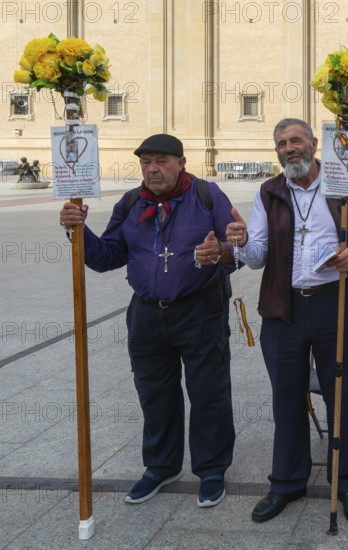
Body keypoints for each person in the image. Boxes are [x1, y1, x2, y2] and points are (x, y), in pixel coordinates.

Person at [59, 134, 236, 507]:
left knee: (208, 392)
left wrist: (221, 250)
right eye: (146, 162)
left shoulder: (207, 196)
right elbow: (107, 256)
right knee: (154, 394)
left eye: (161, 161)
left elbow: (238, 249)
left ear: (181, 163)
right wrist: (78, 230)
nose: (153, 169)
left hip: (200, 310)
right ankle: (160, 466)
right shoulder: (131, 202)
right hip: (146, 315)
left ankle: (211, 469)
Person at [226, 118, 348, 524]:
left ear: (314, 143)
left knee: (340, 397)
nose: (289, 148)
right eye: (281, 143)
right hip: (284, 308)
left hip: (334, 305)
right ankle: (287, 482)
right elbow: (259, 255)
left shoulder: (344, 183)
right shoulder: (269, 192)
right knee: (287, 399)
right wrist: (242, 243)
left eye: (296, 140)